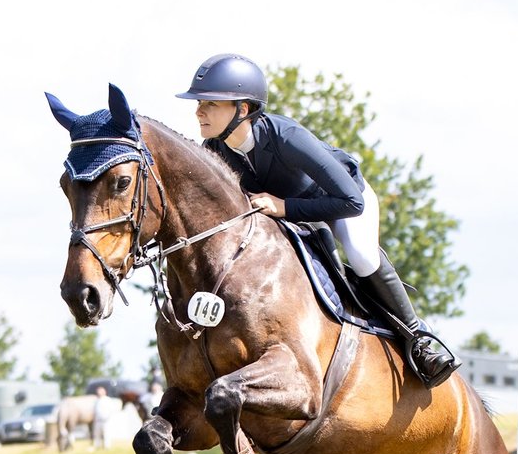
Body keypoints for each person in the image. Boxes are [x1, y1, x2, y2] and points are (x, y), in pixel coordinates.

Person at [175, 53, 459, 389]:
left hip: (343, 200)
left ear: (244, 109)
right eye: (199, 103)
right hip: (292, 216)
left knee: (361, 255)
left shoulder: (285, 136)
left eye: (211, 103)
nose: (199, 111)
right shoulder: (216, 151)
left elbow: (349, 201)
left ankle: (418, 338)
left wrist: (285, 208)